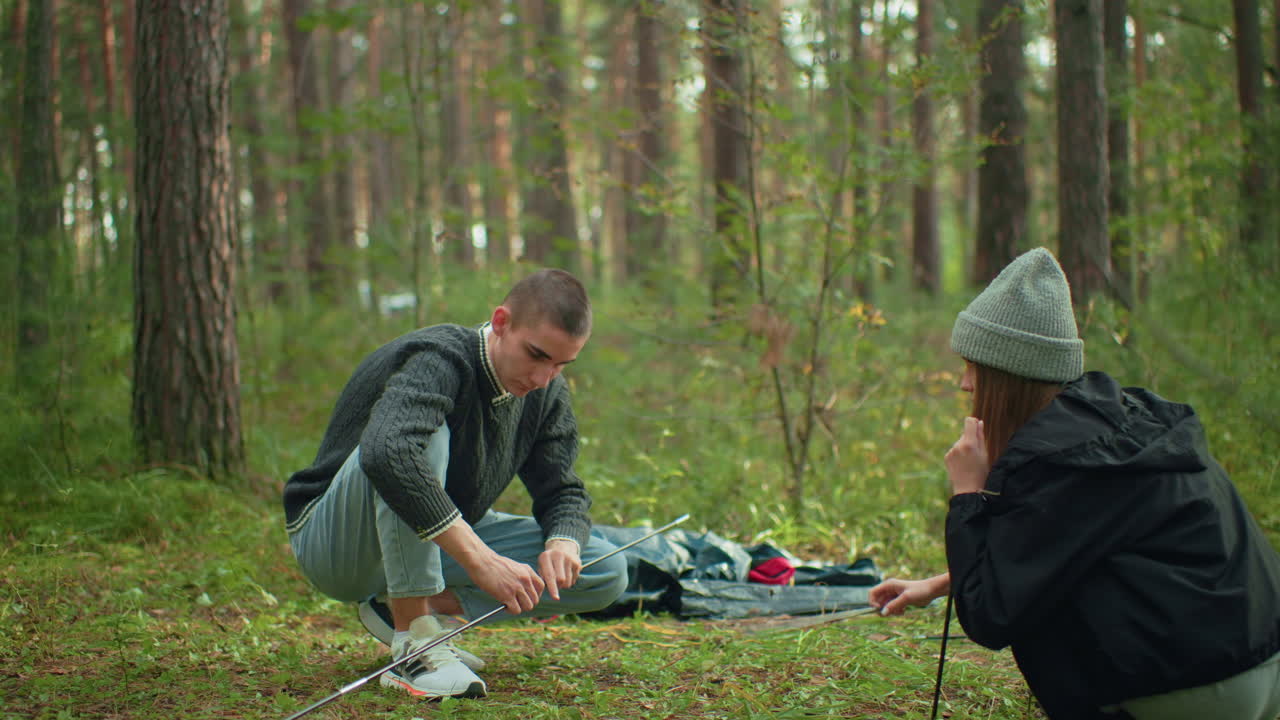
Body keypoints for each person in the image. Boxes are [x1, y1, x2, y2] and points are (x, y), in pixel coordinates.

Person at [868, 248, 1280, 720]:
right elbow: (1070, 549)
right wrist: (944, 583)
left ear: (1007, 378)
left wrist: (967, 495)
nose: (964, 384)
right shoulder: (1115, 427)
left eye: (973, 366)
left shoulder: (1060, 463)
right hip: (1260, 660)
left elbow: (990, 618)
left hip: (1195, 685)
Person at [282, 269, 628, 700]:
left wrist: (564, 542)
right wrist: (481, 559)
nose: (544, 377)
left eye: (561, 364)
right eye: (536, 355)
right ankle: (415, 640)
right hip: (335, 544)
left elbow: (563, 489)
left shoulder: (545, 393)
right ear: (501, 322)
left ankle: (407, 609)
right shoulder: (440, 358)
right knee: (416, 441)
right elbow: (388, 453)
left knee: (605, 567)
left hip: (425, 540)